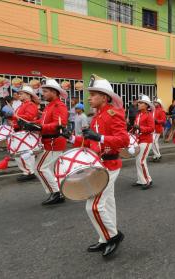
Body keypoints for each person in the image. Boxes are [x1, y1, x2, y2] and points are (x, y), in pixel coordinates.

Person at [64, 74, 129, 257]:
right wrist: (69, 137)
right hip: (99, 165)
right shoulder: (97, 116)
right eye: (90, 94)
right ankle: (104, 237)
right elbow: (90, 142)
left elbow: (123, 140)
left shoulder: (112, 113)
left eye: (93, 94)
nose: (89, 97)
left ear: (104, 97)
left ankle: (113, 236)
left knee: (93, 206)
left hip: (110, 164)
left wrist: (99, 137)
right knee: (107, 204)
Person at [21, 78, 68, 206]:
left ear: (54, 92)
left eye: (46, 91)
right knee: (48, 169)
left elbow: (60, 124)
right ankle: (59, 192)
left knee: (39, 168)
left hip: (54, 142)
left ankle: (56, 193)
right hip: (48, 141)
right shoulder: (49, 106)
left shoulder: (59, 105)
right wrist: (30, 124)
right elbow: (43, 122)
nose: (43, 94)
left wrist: (40, 127)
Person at [10, 85, 39, 182]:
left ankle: (30, 172)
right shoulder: (21, 105)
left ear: (28, 95)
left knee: (25, 154)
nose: (19, 95)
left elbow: (29, 117)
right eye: (19, 93)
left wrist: (13, 116)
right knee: (20, 154)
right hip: (19, 132)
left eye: (21, 93)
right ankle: (27, 171)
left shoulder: (30, 105)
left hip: (25, 132)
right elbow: (17, 118)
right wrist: (11, 118)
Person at [133, 95, 155, 189]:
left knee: (141, 161)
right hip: (139, 139)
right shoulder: (139, 115)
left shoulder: (149, 115)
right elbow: (136, 126)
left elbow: (151, 128)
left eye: (141, 103)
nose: (139, 104)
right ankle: (141, 180)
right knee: (138, 161)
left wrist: (140, 128)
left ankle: (148, 180)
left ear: (146, 105)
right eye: (139, 102)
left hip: (146, 140)